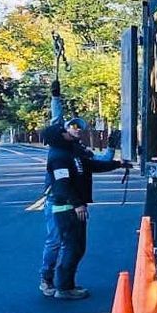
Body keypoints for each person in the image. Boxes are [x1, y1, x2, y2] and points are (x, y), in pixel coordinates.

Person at [40, 117, 129, 299]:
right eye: (65, 131)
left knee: (77, 248)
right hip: (66, 208)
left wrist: (118, 164)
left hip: (72, 207)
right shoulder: (58, 157)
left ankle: (66, 284)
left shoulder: (72, 152)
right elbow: (62, 185)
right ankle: (62, 287)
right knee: (69, 247)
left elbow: (92, 165)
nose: (69, 131)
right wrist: (77, 204)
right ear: (59, 137)